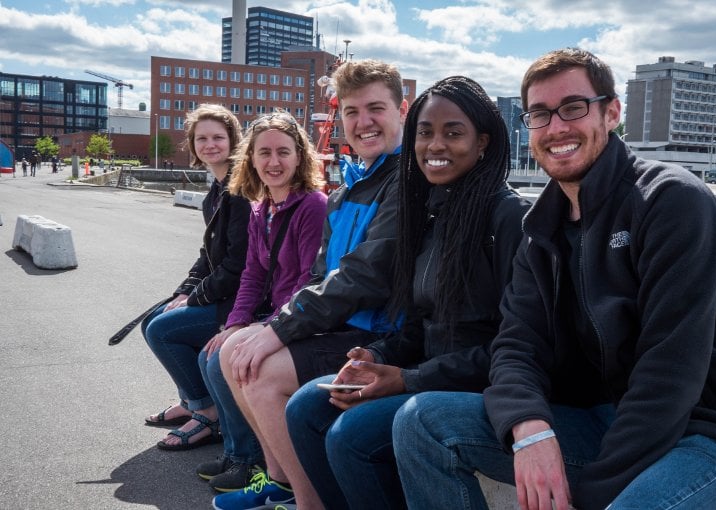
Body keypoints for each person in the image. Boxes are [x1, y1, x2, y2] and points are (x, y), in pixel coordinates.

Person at [392, 48, 716, 510]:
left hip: (710, 431)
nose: (557, 128)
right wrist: (527, 425)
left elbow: (670, 375)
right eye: (540, 114)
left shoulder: (671, 202)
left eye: (573, 108)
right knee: (422, 422)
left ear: (611, 113)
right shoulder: (541, 227)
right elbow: (515, 345)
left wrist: (592, 494)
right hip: (607, 416)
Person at [286, 75, 531, 510]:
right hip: (428, 371)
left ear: (483, 144)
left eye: (453, 133)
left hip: (481, 387)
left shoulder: (508, 218)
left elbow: (517, 345)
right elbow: (422, 322)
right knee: (309, 406)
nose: (435, 145)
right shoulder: (433, 212)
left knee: (352, 437)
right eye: (425, 132)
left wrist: (409, 379)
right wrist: (378, 356)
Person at [213, 59, 408, 510]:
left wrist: (278, 329)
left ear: (402, 110)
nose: (363, 122)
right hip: (343, 325)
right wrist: (271, 325)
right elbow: (320, 276)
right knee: (233, 352)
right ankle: (280, 482)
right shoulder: (347, 191)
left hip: (380, 333)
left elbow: (365, 276)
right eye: (352, 112)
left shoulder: (404, 185)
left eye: (375, 108)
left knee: (259, 372)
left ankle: (308, 501)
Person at [195, 110, 328, 493]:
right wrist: (235, 322)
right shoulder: (262, 209)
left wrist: (266, 326)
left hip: (299, 317)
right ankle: (270, 471)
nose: (273, 162)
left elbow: (308, 279)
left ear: (300, 157)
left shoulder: (312, 206)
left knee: (235, 359)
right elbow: (252, 275)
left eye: (283, 152)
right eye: (264, 153)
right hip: (274, 313)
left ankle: (261, 466)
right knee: (219, 349)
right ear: (250, 158)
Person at [142, 104, 250, 451]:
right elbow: (208, 256)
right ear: (192, 143)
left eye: (218, 137)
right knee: (153, 320)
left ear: (234, 141)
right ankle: (192, 401)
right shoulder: (215, 192)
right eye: (201, 138)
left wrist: (196, 298)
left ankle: (206, 412)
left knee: (163, 330)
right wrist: (183, 291)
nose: (210, 144)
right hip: (221, 292)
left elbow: (238, 265)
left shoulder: (241, 192)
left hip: (241, 302)